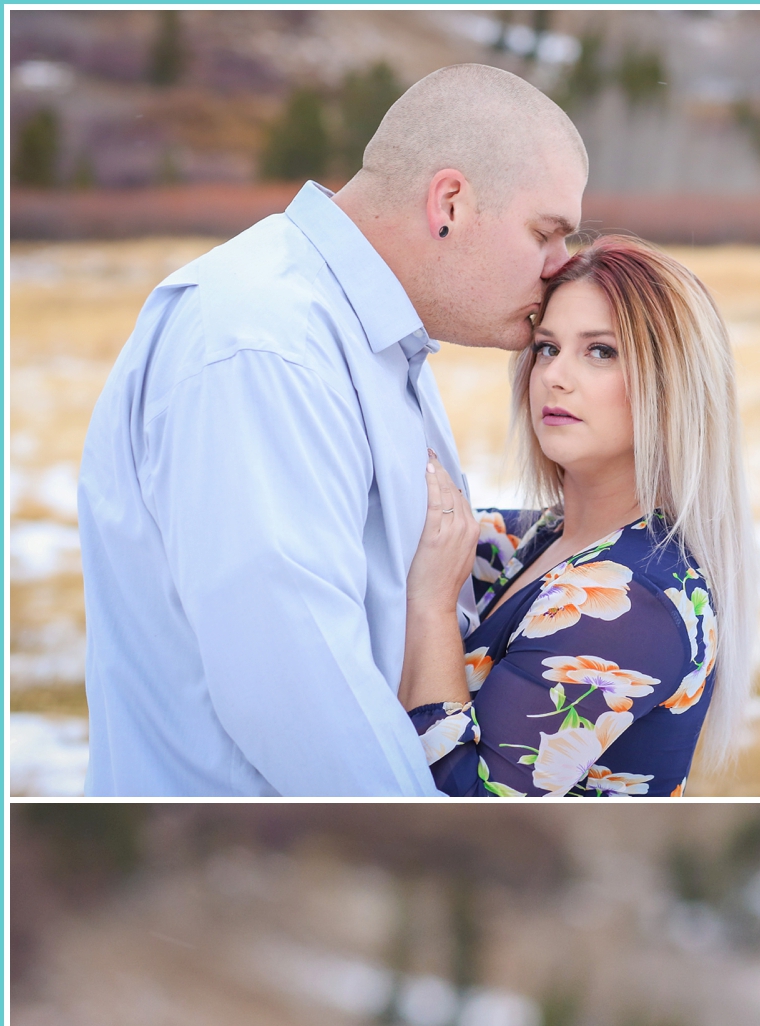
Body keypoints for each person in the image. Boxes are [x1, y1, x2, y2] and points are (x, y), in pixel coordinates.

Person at [77, 67, 587, 799]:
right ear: (450, 203)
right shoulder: (263, 343)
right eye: (546, 232)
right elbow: (297, 695)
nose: (560, 266)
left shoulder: (363, 338)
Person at [400, 238, 755, 797]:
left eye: (601, 352)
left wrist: (432, 608)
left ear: (673, 385)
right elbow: (410, 528)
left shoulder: (631, 601)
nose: (555, 376)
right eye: (546, 348)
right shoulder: (547, 537)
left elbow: (461, 802)